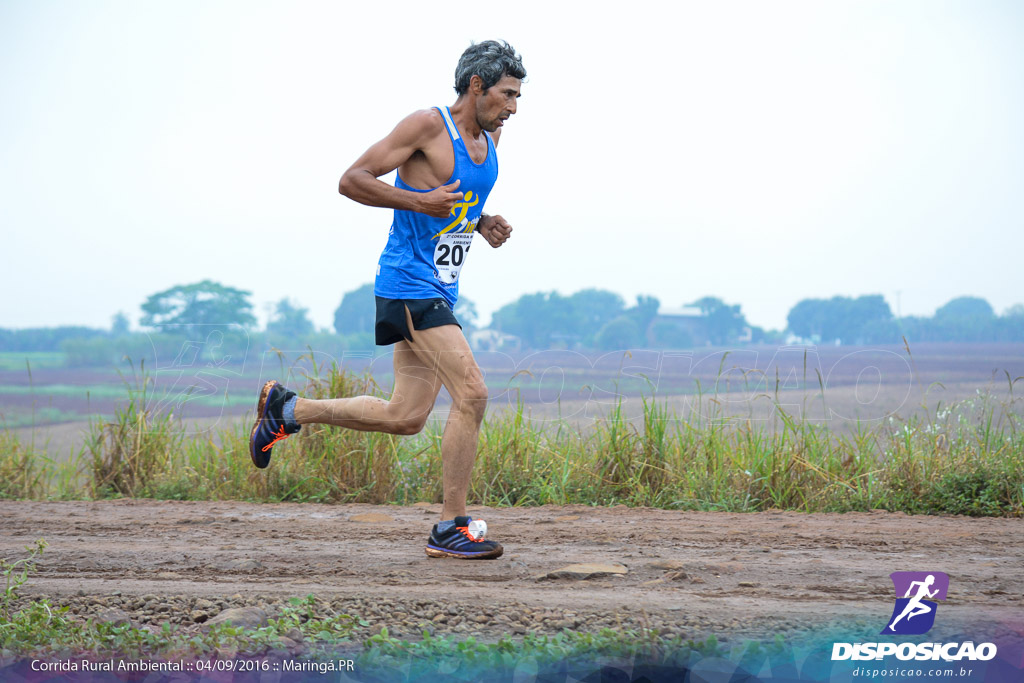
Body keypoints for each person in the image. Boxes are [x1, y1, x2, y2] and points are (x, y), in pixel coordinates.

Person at [248, 40, 525, 560]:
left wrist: (481, 221)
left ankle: (288, 409)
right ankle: (450, 527)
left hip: (438, 288)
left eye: (517, 97)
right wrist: (417, 200)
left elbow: (454, 205)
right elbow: (351, 180)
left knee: (405, 416)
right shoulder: (427, 125)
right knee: (473, 393)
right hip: (407, 285)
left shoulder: (489, 142)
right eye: (508, 95)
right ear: (476, 86)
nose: (513, 107)